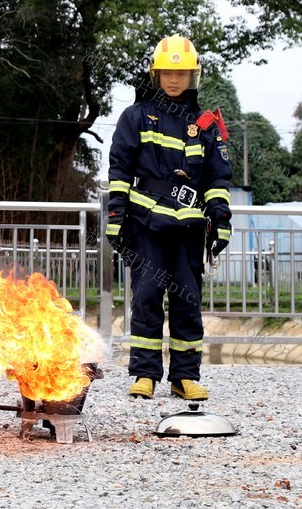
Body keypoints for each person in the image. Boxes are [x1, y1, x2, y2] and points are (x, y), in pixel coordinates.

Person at [105, 34, 232, 401]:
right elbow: (120, 169)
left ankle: (184, 377)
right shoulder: (136, 117)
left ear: (193, 76)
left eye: (181, 73)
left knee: (187, 300)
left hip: (189, 228)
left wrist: (221, 221)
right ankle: (144, 374)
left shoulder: (206, 125)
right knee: (146, 296)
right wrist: (116, 217)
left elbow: (217, 178)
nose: (174, 80)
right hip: (145, 223)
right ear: (155, 75)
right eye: (167, 73)